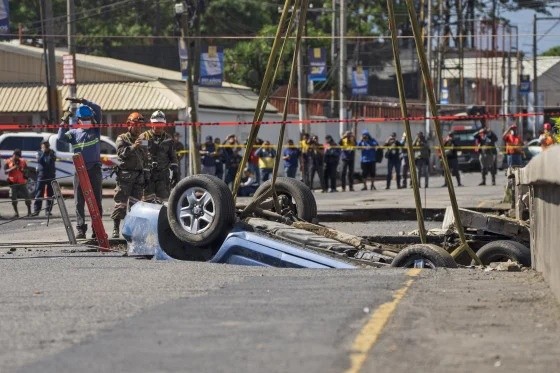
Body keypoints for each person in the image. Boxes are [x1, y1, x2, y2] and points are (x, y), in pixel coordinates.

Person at [58, 97, 103, 239]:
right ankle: (81, 230)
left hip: (94, 169)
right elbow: (60, 137)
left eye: (89, 118)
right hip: (79, 170)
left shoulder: (95, 131)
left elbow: (98, 109)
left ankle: (97, 230)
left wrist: (83, 101)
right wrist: (64, 121)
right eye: (84, 118)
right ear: (78, 120)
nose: (87, 120)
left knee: (96, 200)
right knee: (79, 202)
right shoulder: (73, 133)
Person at [110, 112, 149, 238]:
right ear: (129, 125)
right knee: (120, 204)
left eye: (140, 126)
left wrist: (147, 174)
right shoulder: (122, 138)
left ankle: (131, 231)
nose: (138, 128)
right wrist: (133, 146)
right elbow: (121, 154)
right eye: (136, 125)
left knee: (135, 206)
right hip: (125, 176)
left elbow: (146, 157)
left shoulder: (144, 139)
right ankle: (116, 228)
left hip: (139, 176)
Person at [138, 110, 179, 203]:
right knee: (147, 201)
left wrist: (175, 170)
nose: (158, 127)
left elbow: (173, 156)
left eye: (160, 124)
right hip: (147, 175)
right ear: (151, 124)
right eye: (156, 124)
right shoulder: (143, 137)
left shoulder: (168, 139)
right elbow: (137, 155)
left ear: (164, 125)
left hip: (163, 175)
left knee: (164, 202)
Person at [3, 149, 31, 218]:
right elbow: (5, 171)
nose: (18, 157)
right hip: (13, 183)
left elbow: (27, 171)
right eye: (17, 156)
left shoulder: (23, 162)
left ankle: (29, 212)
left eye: (19, 156)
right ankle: (16, 213)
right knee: (14, 198)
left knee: (27, 196)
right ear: (14, 155)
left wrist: (22, 170)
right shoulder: (8, 161)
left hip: (22, 183)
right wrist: (13, 168)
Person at [32, 141, 56, 216]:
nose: (46, 148)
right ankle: (36, 211)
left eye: (47, 146)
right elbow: (39, 160)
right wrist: (43, 152)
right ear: (41, 147)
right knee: (39, 193)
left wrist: (49, 153)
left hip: (50, 175)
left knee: (50, 194)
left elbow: (53, 159)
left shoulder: (52, 152)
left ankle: (48, 211)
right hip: (41, 175)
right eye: (44, 147)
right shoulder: (38, 152)